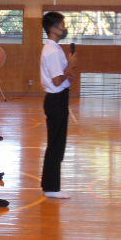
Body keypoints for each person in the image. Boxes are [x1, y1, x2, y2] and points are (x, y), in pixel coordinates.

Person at [40, 11, 77, 199]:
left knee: (56, 144)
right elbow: (56, 80)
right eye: (62, 25)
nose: (65, 28)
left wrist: (68, 72)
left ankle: (49, 185)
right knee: (56, 145)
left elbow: (61, 76)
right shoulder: (53, 51)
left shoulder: (53, 48)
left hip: (57, 99)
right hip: (56, 100)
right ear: (53, 28)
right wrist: (70, 66)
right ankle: (52, 188)